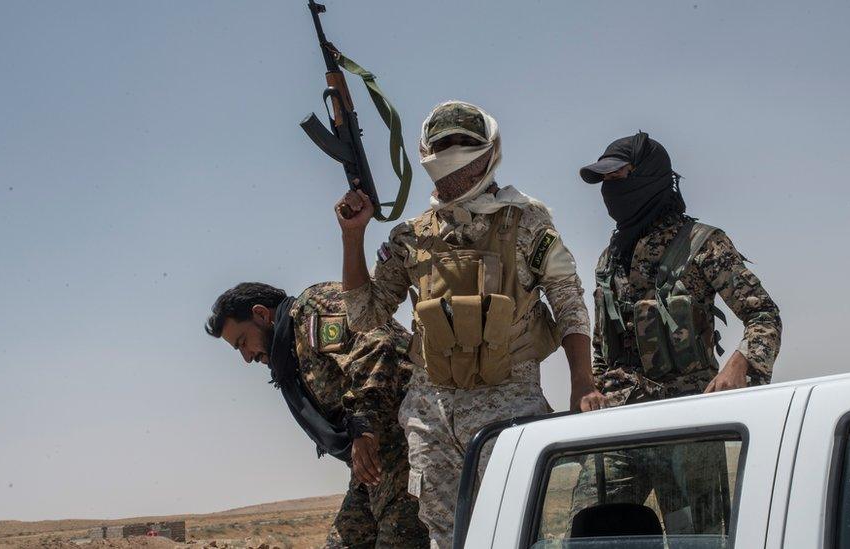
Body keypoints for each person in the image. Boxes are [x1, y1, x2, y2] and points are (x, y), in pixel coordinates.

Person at [336, 100, 605, 548]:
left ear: (489, 154)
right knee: (447, 537)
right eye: (445, 148)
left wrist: (583, 380)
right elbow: (365, 316)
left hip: (508, 402)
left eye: (465, 148)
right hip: (431, 414)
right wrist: (352, 237)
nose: (455, 162)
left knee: (519, 528)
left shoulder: (527, 221)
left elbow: (568, 300)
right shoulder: (410, 237)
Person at [568, 131, 783, 534]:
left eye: (620, 177)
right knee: (592, 533)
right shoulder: (610, 258)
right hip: (619, 427)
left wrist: (740, 363)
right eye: (605, 183)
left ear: (650, 177)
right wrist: (593, 389)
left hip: (688, 427)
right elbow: (603, 347)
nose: (611, 191)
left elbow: (764, 315)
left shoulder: (702, 244)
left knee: (699, 541)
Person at [205, 281, 429, 548]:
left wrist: (363, 425)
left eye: (243, 342)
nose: (246, 357)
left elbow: (377, 343)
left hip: (409, 452)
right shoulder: (290, 356)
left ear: (262, 315)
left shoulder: (313, 310)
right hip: (373, 468)